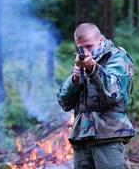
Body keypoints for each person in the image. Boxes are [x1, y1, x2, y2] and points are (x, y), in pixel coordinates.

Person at [57, 23, 135, 169]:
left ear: (101, 40)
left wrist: (93, 68)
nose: (85, 52)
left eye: (89, 46)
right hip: (81, 138)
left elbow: (114, 93)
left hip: (108, 135)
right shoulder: (81, 62)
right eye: (81, 47)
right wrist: (74, 79)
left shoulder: (116, 57)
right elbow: (64, 102)